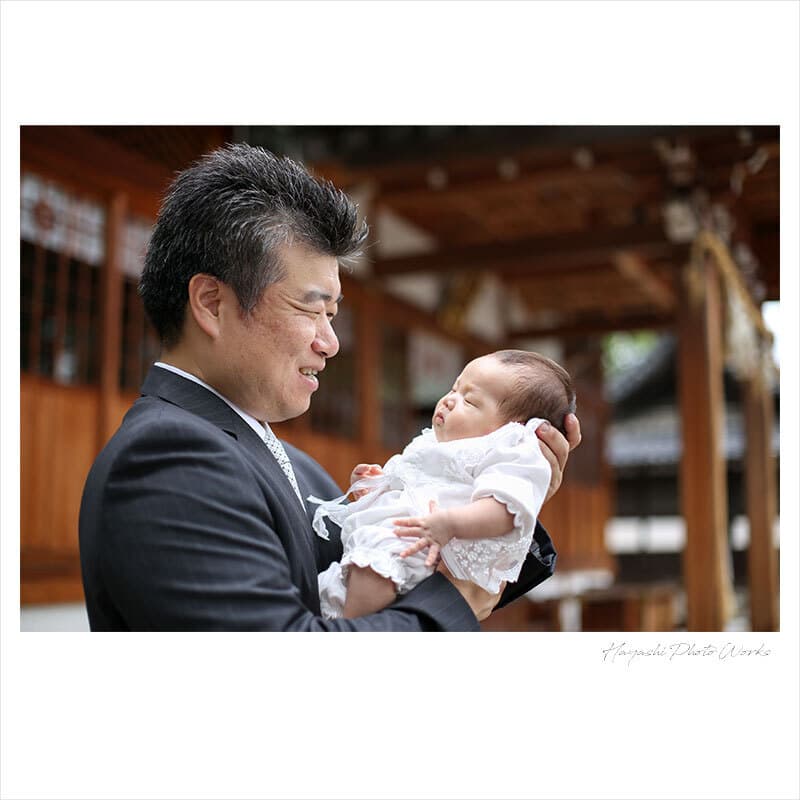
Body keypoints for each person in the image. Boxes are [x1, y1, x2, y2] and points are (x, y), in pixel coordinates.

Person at [78, 142, 581, 631]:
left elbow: (396, 577)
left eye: (333, 314)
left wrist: (503, 503)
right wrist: (456, 602)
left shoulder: (295, 465)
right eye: (311, 309)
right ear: (212, 303)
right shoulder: (167, 458)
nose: (331, 342)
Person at [313, 350, 576, 619]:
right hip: (399, 543)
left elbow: (506, 511)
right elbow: (408, 486)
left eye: (470, 401)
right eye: (454, 388)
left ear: (515, 429)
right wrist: (374, 487)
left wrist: (449, 524)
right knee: (352, 578)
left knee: (374, 569)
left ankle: (355, 629)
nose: (450, 400)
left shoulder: (513, 450)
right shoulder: (434, 444)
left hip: (426, 551)